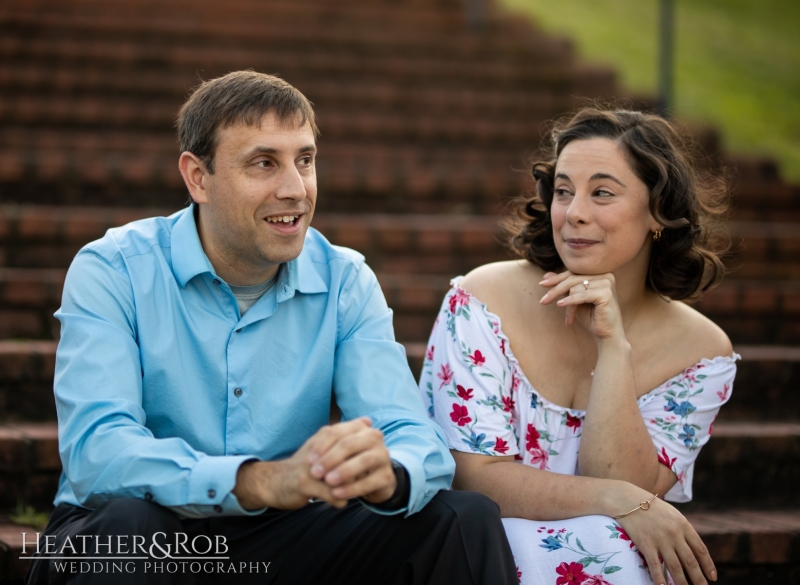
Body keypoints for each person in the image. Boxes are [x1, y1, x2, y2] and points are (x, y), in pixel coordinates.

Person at [27, 71, 519, 585]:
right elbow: (98, 451)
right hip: (138, 530)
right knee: (130, 527)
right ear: (198, 177)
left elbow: (411, 434)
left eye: (304, 161)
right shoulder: (115, 269)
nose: (294, 189)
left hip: (280, 532)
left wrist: (388, 475)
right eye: (264, 163)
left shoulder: (344, 278)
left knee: (463, 520)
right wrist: (256, 481)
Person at [419, 108, 737, 585]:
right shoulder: (484, 300)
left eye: (602, 193)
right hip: (476, 540)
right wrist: (611, 499)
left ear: (657, 213)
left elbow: (631, 486)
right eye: (563, 191)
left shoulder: (701, 352)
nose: (575, 213)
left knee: (622, 551)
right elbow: (473, 477)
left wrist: (613, 349)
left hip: (607, 550)